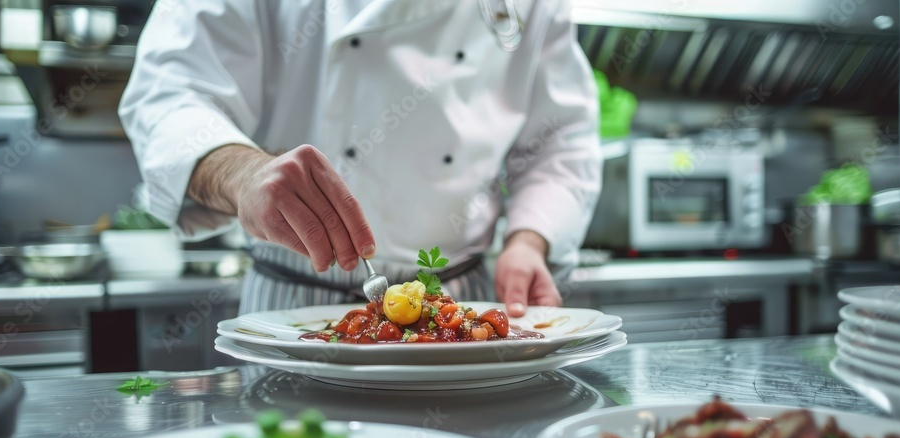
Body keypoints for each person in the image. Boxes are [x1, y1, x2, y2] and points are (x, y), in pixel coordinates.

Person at [119, 0, 601, 317]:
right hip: (294, 302)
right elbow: (168, 95)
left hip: (458, 302)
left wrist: (529, 240)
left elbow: (561, 139)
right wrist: (241, 171)